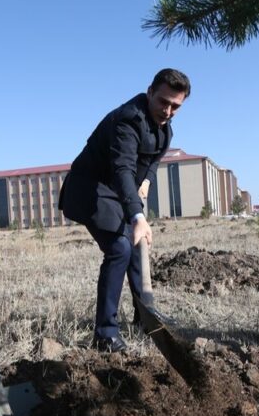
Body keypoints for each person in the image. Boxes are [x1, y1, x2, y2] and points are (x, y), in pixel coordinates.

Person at [59, 68, 189, 352]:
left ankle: (145, 318)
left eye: (175, 106)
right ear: (150, 92)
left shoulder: (165, 129)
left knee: (135, 250)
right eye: (163, 102)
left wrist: (146, 182)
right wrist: (137, 214)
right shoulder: (128, 120)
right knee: (120, 248)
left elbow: (153, 161)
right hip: (90, 188)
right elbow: (122, 167)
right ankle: (105, 334)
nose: (167, 110)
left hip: (119, 191)